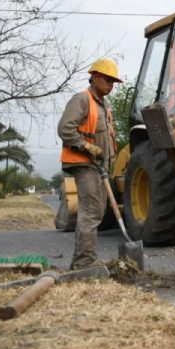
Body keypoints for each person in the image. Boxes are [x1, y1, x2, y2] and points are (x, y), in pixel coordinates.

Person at [58, 58, 122, 270]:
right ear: (94, 77)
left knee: (98, 211)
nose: (111, 84)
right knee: (91, 212)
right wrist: (85, 146)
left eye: (113, 81)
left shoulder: (104, 105)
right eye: (107, 79)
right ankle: (84, 264)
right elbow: (65, 128)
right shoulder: (82, 100)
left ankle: (81, 261)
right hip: (84, 163)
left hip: (99, 166)